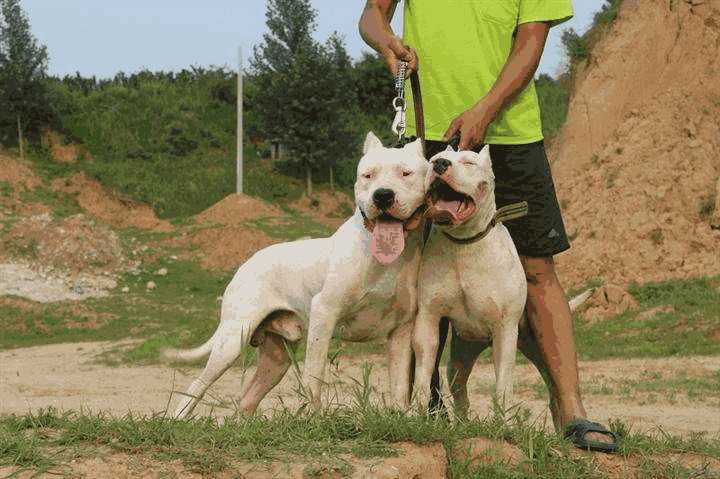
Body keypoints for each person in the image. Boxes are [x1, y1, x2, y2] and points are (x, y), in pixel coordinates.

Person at [359, 0, 617, 452]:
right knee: (419, 272)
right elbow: (371, 15)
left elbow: (531, 41)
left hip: (511, 130)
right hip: (428, 132)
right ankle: (426, 404)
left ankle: (572, 411)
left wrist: (486, 108)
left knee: (537, 268)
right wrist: (387, 44)